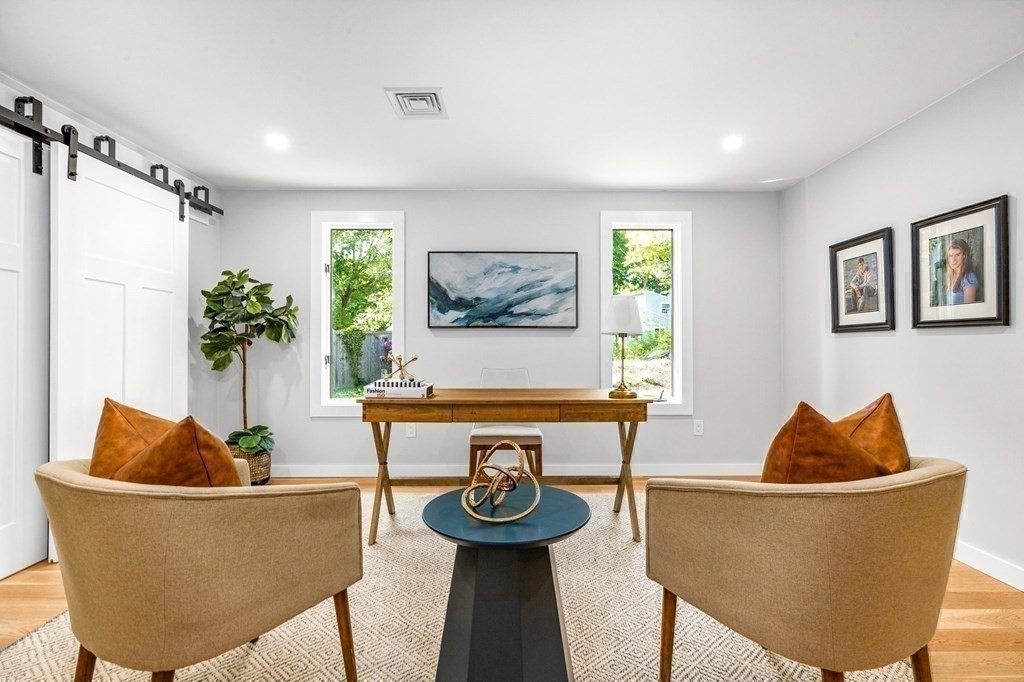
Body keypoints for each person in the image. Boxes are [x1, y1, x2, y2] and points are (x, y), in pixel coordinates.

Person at [945, 238, 979, 305]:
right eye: (950, 256)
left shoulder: (969, 278)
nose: (953, 260)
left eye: (957, 255)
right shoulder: (951, 277)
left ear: (964, 256)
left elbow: (968, 309)